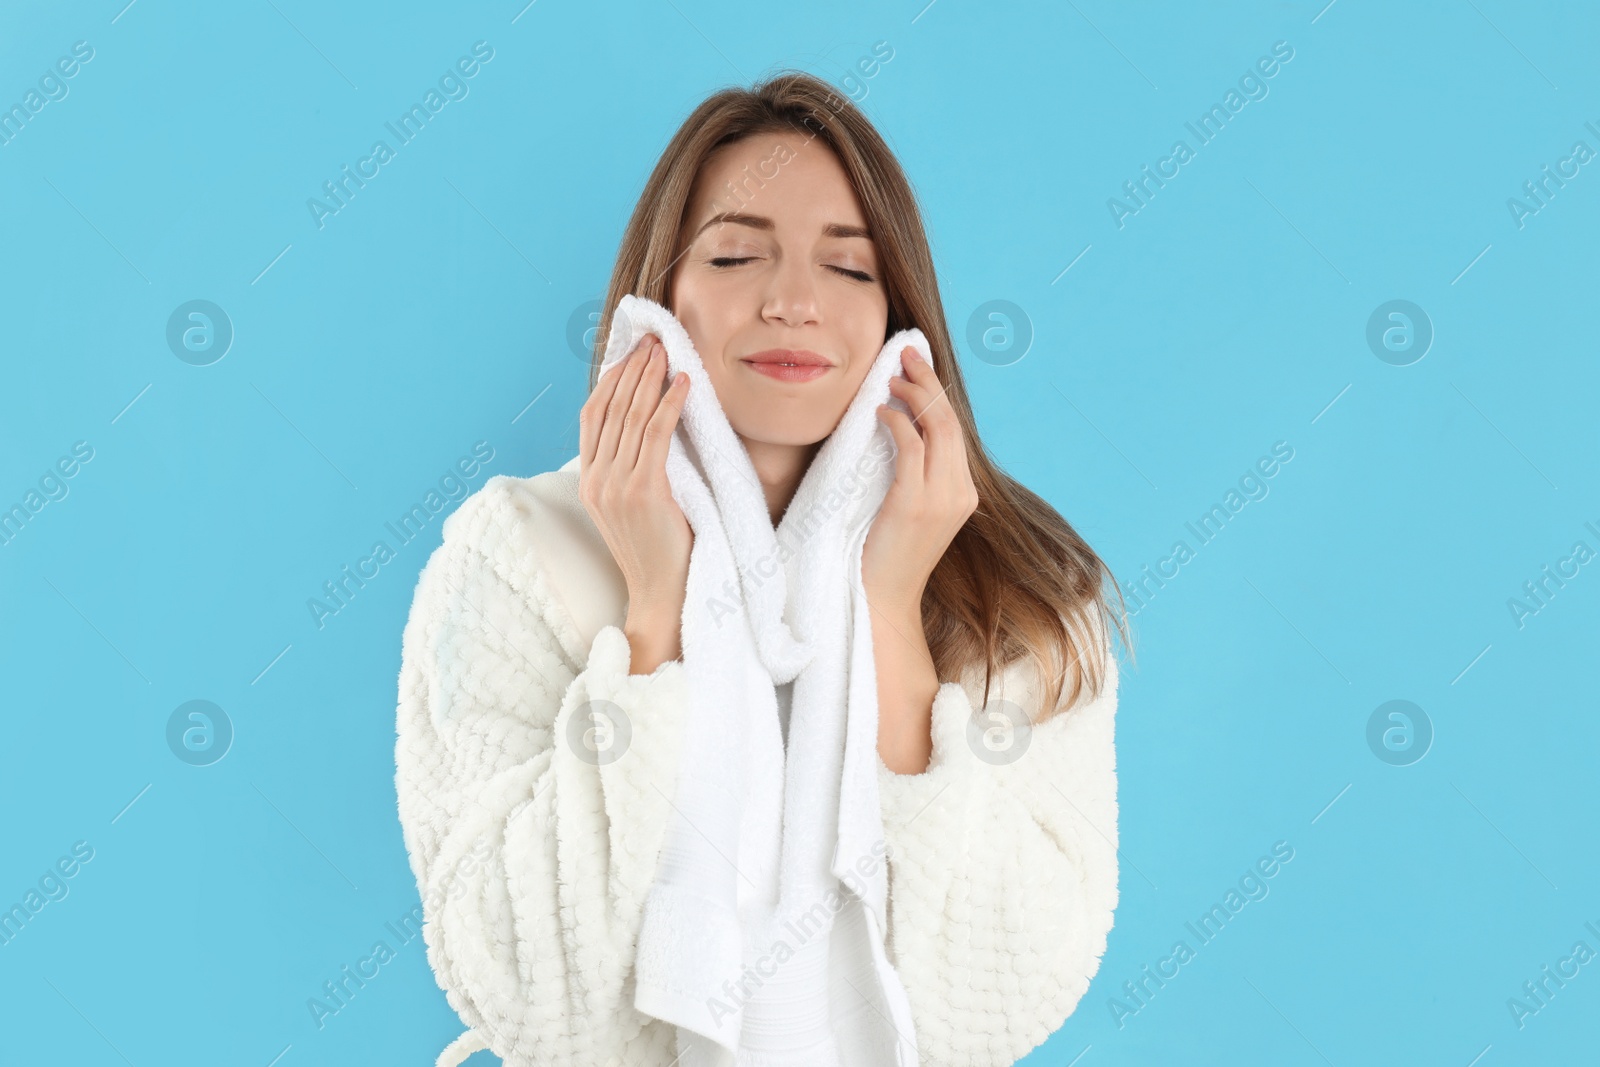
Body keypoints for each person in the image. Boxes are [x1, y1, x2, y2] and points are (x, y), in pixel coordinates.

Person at [394, 69, 1130, 1067]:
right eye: (737, 253)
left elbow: (997, 999)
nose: (790, 301)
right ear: (662, 299)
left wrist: (890, 603)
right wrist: (656, 616)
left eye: (850, 268)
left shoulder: (1031, 594)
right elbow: (527, 989)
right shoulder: (518, 555)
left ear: (901, 321)